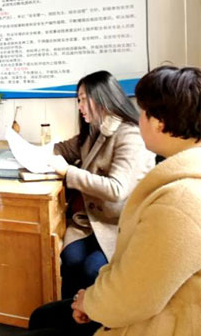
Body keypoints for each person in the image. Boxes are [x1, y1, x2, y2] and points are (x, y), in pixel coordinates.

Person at [25, 65, 201, 336]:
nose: (138, 120)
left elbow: (136, 293)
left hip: (148, 312)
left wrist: (91, 303)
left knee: (82, 276)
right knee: (69, 260)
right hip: (101, 236)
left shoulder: (178, 200)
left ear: (159, 122)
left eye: (143, 112)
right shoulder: (94, 131)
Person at [48, 71, 154, 298]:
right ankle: (69, 310)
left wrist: (69, 172)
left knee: (92, 269)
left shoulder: (130, 135)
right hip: (91, 222)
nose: (80, 106)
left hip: (119, 225)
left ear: (103, 98)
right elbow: (63, 149)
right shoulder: (95, 130)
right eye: (78, 100)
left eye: (83, 99)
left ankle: (94, 315)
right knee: (70, 257)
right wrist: (42, 155)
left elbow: (117, 189)